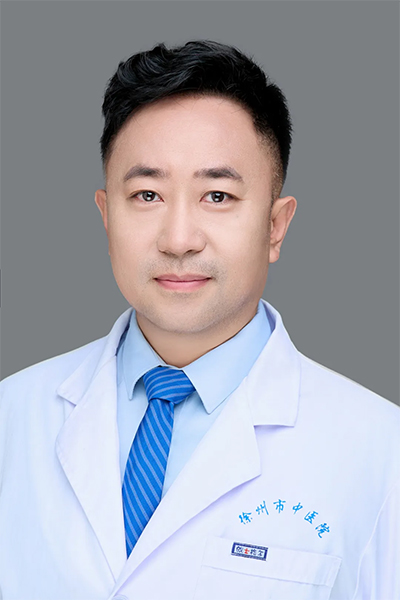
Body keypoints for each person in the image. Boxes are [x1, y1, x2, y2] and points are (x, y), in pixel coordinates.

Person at [0, 40, 398, 600]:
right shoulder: (12, 416)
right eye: (147, 194)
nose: (179, 239)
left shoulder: (382, 451)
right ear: (106, 216)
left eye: (217, 195)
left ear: (276, 226)